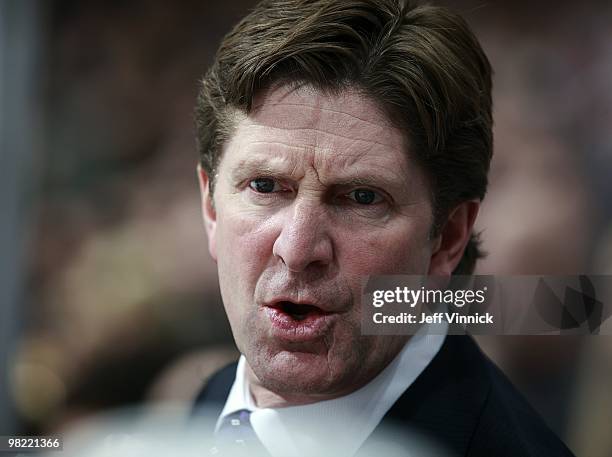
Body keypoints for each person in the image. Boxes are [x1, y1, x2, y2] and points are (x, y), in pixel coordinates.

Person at [191, 1, 575, 456]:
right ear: (210, 205)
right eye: (265, 185)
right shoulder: (210, 405)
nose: (296, 249)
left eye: (362, 198)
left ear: (447, 238)